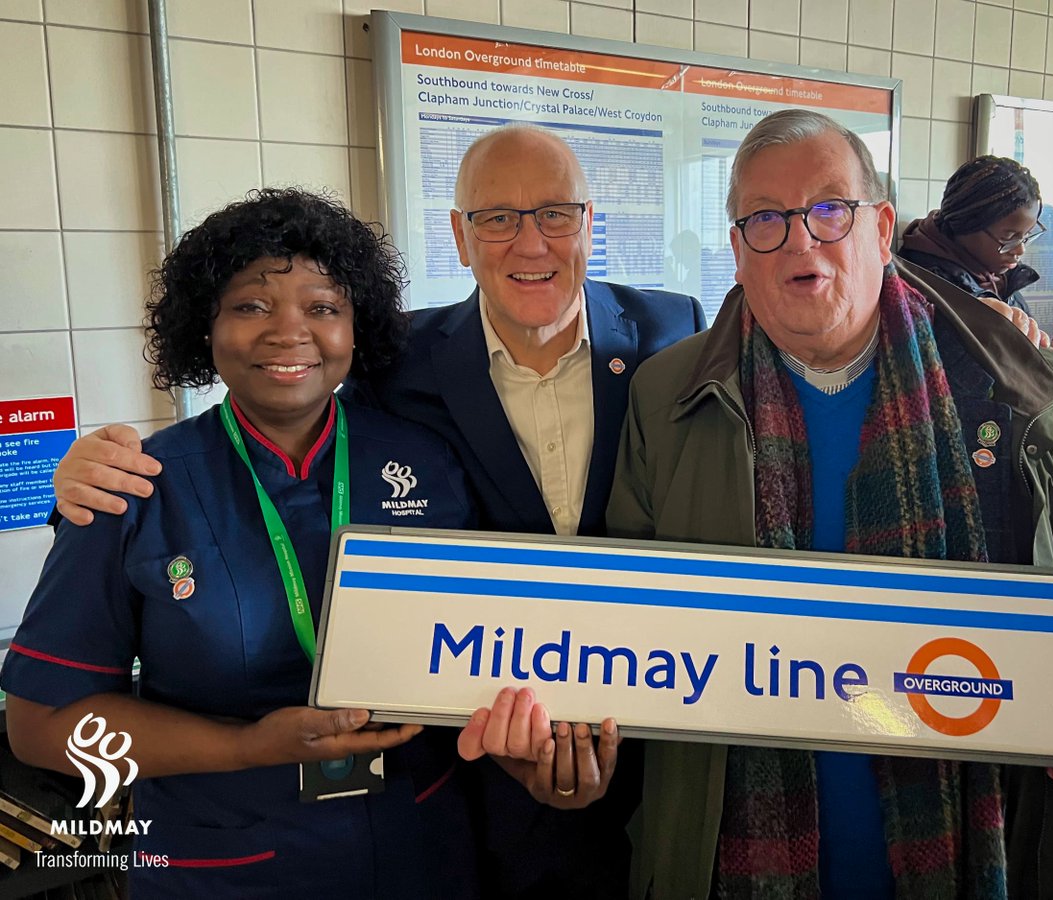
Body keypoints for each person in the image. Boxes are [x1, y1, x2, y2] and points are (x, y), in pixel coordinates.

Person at [47, 126, 701, 897]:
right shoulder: (400, 365)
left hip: (562, 775)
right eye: (497, 217)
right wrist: (83, 482)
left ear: (591, 222)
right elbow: (45, 722)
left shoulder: (678, 333)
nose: (291, 332)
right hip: (287, 847)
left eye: (555, 212)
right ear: (460, 236)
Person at [605, 109, 1053, 897]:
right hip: (729, 838)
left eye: (828, 210)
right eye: (766, 219)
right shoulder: (666, 398)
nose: (801, 241)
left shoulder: (1025, 389)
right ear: (738, 251)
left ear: (879, 227)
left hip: (977, 829)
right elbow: (628, 607)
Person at [0, 189, 482, 897]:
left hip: (422, 849)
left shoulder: (426, 462)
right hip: (228, 866)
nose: (288, 332)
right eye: (251, 306)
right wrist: (245, 747)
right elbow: (42, 729)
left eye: (322, 307)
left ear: (358, 327)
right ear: (206, 327)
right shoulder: (132, 488)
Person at [898, 155, 1053, 385]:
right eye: (1008, 238)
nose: (1020, 250)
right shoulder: (922, 292)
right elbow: (961, 402)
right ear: (965, 224)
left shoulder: (997, 279)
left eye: (1027, 236)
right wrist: (1051, 371)